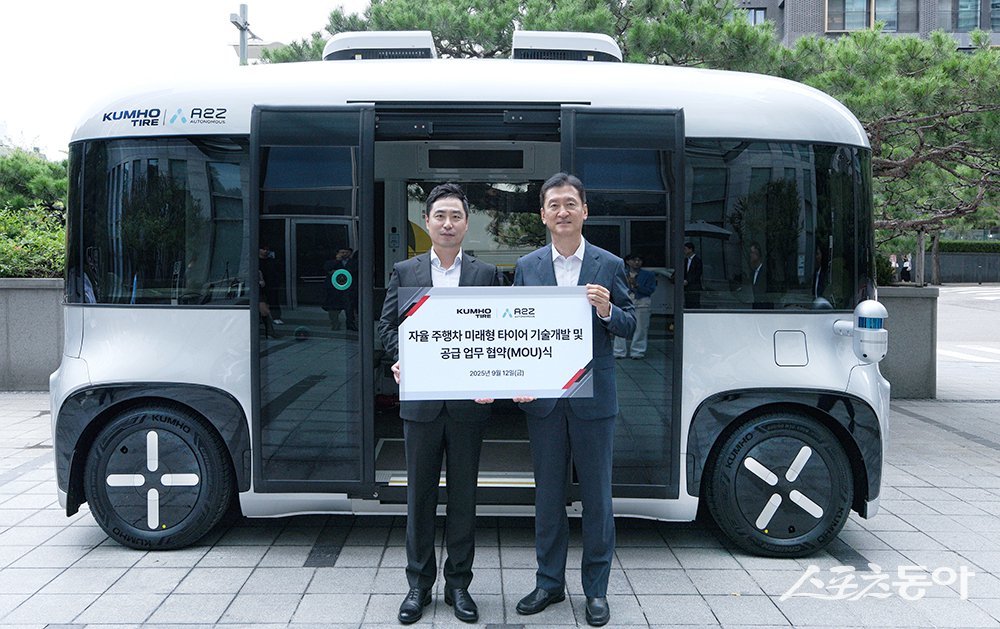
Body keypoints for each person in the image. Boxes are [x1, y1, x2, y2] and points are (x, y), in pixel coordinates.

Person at [512, 173, 635, 627]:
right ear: (543, 215)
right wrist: (515, 377)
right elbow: (514, 329)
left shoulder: (608, 264)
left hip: (593, 398)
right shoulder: (527, 266)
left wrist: (606, 310)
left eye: (570, 204)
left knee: (598, 498)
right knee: (548, 497)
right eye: (554, 205)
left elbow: (630, 324)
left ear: (585, 211)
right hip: (545, 400)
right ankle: (549, 583)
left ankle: (596, 591)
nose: (562, 212)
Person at [377, 183, 503, 625]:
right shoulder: (405, 272)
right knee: (420, 498)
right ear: (427, 221)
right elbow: (386, 327)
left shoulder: (486, 275)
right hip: (422, 405)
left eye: (456, 216)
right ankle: (418, 585)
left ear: (467, 223)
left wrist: (495, 374)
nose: (448, 224)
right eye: (440, 216)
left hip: (469, 406)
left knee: (464, 498)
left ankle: (459, 585)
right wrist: (403, 356)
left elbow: (498, 334)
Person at [613, 253, 656, 359]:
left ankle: (637, 352)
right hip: (624, 301)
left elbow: (650, 290)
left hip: (642, 302)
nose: (637, 262)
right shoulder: (621, 273)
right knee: (620, 326)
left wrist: (637, 285)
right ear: (628, 261)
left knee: (641, 328)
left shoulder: (648, 275)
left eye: (639, 260)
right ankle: (619, 351)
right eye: (634, 260)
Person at [323, 248, 353, 331]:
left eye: (346, 252)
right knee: (333, 308)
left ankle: (350, 324)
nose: (344, 254)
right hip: (334, 289)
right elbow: (327, 268)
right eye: (342, 252)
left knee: (349, 307)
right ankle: (334, 323)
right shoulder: (331, 262)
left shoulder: (353, 262)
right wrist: (337, 260)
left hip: (349, 288)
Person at [748, 242, 768, 308]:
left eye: (752, 252)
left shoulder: (765, 272)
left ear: (757, 254)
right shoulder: (752, 273)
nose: (750, 255)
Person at [683, 242, 702, 309]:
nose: (684, 251)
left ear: (690, 249)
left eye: (685, 249)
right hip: (687, 287)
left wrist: (688, 280)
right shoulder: (685, 260)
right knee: (688, 303)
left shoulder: (697, 260)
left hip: (694, 286)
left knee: (694, 303)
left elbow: (698, 273)